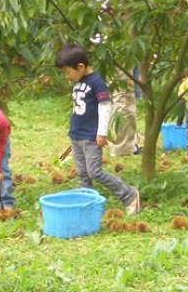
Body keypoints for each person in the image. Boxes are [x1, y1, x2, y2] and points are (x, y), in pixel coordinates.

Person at [55, 44, 141, 215]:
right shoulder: (78, 81)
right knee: (83, 173)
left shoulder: (97, 82)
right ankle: (86, 206)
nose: (67, 76)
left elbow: (105, 106)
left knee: (94, 171)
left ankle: (128, 194)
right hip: (77, 136)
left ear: (80, 67)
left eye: (68, 72)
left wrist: (102, 133)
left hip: (91, 137)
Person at [96, 0, 142, 157]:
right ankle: (121, 146)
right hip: (115, 48)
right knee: (121, 97)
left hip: (130, 48)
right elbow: (105, 23)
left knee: (130, 96)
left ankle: (131, 142)